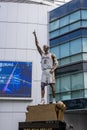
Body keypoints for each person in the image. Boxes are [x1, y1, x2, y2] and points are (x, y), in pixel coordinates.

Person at [33, 30, 58, 104]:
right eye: (43, 47)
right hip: (44, 71)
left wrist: (53, 69)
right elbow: (37, 45)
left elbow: (56, 63)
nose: (43, 48)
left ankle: (53, 99)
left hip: (50, 71)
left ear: (48, 48)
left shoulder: (52, 55)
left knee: (52, 86)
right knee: (42, 85)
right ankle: (42, 99)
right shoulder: (42, 54)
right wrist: (35, 36)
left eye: (45, 47)